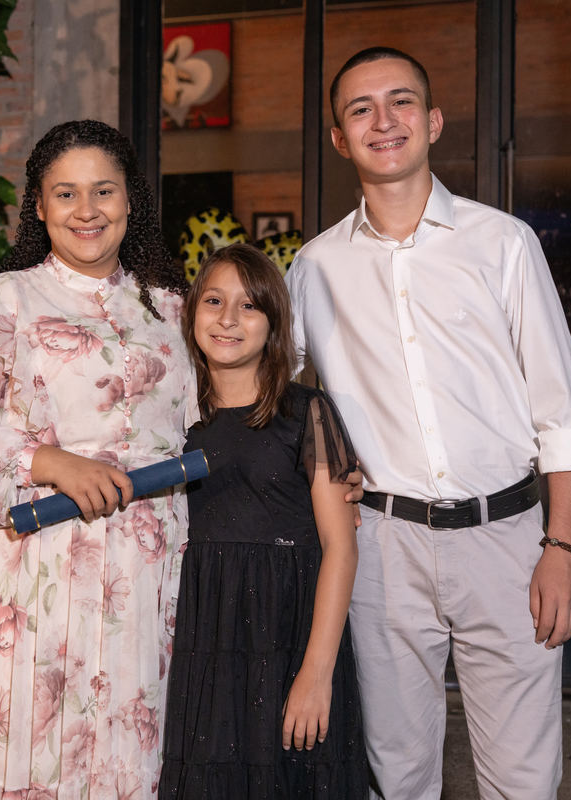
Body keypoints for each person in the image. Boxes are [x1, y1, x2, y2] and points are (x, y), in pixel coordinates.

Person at [285, 47, 571, 800]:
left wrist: (563, 546)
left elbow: (562, 414)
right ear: (339, 138)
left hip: (508, 542)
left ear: (431, 122)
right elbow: (269, 391)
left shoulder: (504, 244)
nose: (382, 120)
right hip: (381, 547)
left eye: (400, 102)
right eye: (360, 109)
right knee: (396, 774)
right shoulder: (314, 269)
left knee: (524, 779)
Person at [0, 119, 197, 799]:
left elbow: (218, 424)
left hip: (147, 576)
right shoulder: (1, 302)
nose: (86, 209)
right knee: (28, 749)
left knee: (133, 756)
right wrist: (49, 462)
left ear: (130, 200)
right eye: (66, 193)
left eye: (103, 190)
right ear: (39, 206)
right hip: (29, 569)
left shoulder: (174, 310)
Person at [159, 244, 374, 799]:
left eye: (249, 305)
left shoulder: (307, 412)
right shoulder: (170, 417)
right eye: (214, 301)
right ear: (191, 312)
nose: (228, 319)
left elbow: (341, 548)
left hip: (292, 632)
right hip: (205, 636)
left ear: (275, 323)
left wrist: (316, 672)